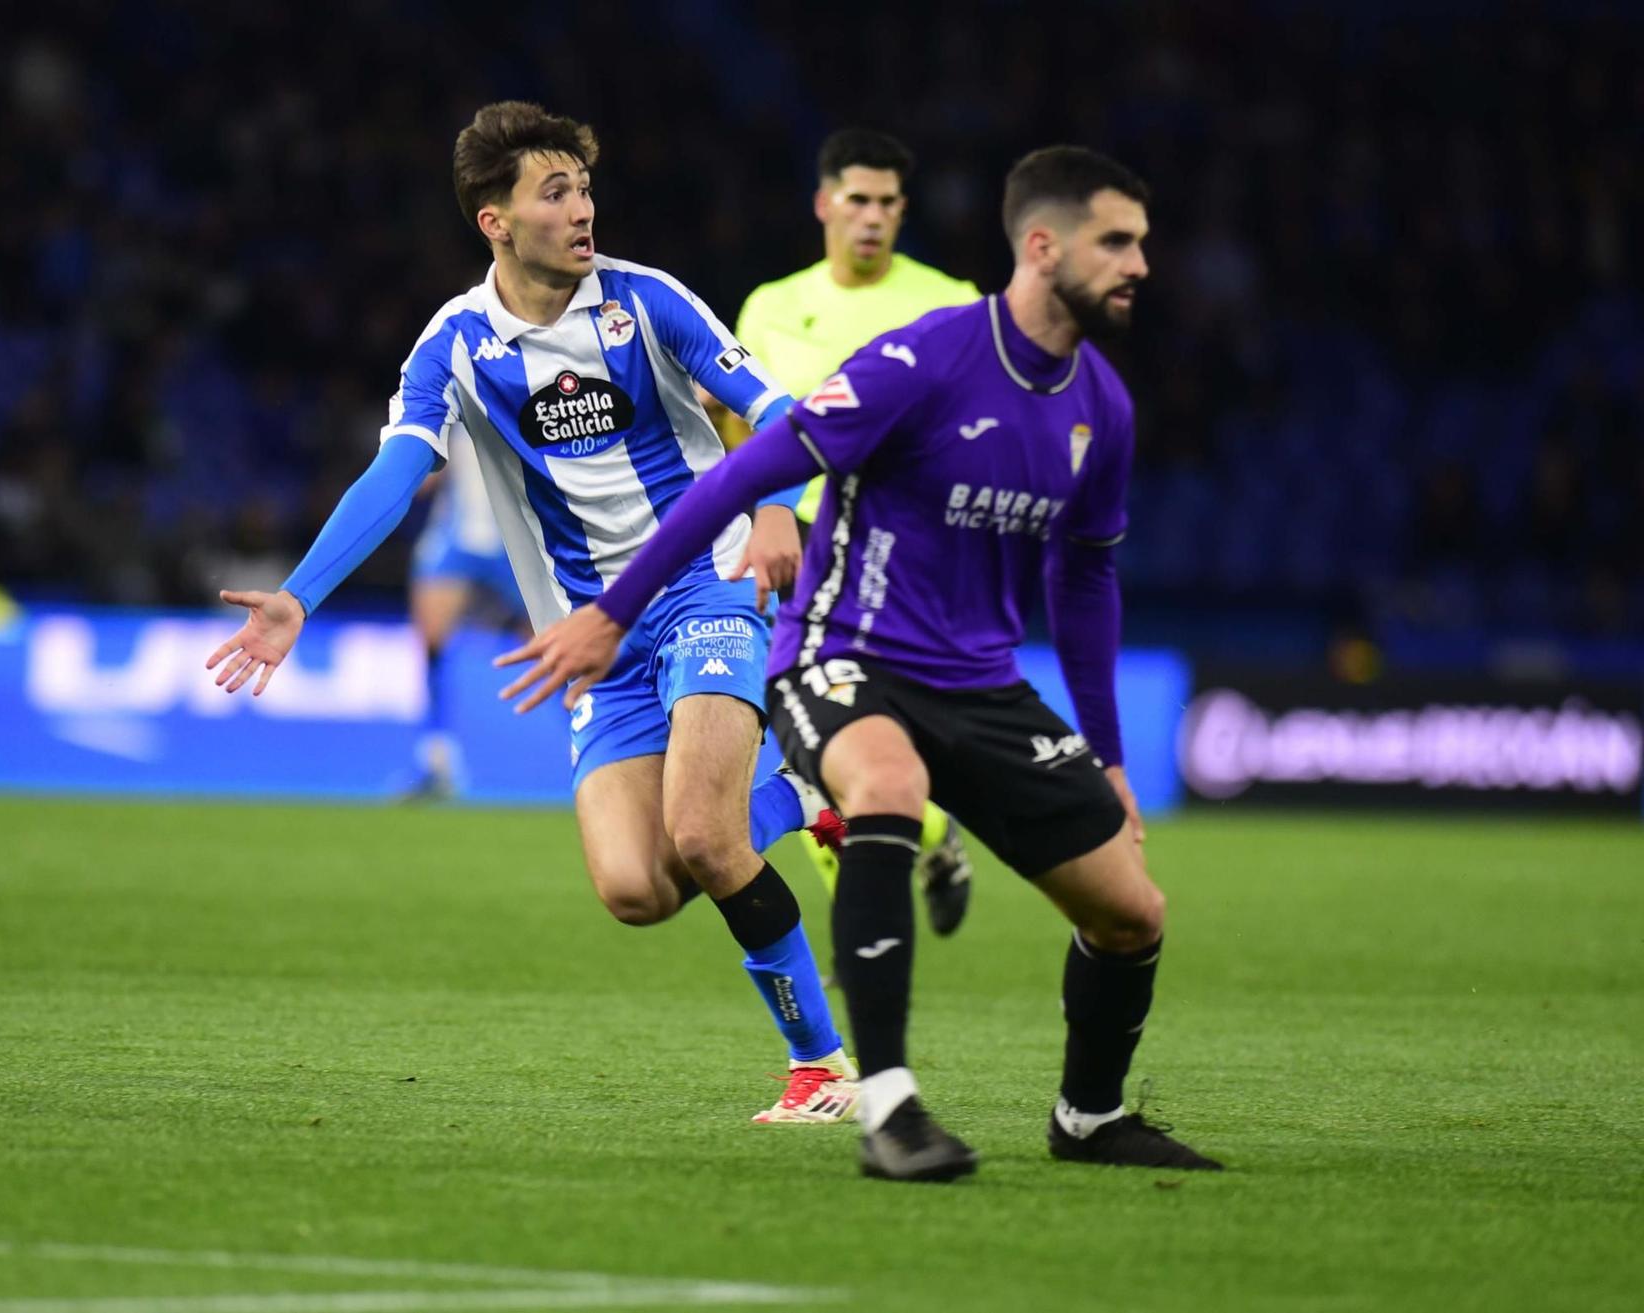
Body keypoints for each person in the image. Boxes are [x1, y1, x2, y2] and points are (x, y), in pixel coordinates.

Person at [499, 145, 1222, 1180]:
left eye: (1141, 243)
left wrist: (1105, 756)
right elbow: (740, 473)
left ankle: (1088, 1114)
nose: (1138, 263)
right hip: (845, 653)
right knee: (881, 786)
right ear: (1041, 244)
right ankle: (885, 1103)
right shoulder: (922, 359)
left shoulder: (1099, 406)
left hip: (980, 682)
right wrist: (612, 611)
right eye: (1116, 240)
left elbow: (1084, 580)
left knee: (1130, 908)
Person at [206, 102, 859, 1124]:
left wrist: (773, 508)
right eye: (554, 192)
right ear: (493, 220)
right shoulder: (458, 342)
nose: (581, 209)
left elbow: (776, 414)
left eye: (584, 188)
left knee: (701, 833)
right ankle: (809, 795)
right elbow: (397, 467)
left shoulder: (646, 304)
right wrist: (298, 594)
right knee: (636, 888)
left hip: (706, 583)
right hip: (588, 635)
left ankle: (821, 1068)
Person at [729, 127, 979, 935]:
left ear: (903, 211)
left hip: (897, 553)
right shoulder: (770, 307)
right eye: (857, 199)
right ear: (824, 203)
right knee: (810, 745)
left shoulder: (952, 303)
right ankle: (875, 913)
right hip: (792, 548)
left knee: (846, 742)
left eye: (887, 203)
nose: (871, 216)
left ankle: (920, 846)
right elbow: (742, 434)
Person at [403, 431, 524, 798]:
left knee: (556, 647)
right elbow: (420, 477)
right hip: (456, 539)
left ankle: (597, 747)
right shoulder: (448, 397)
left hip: (514, 541)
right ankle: (436, 760)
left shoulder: (528, 390)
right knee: (432, 644)